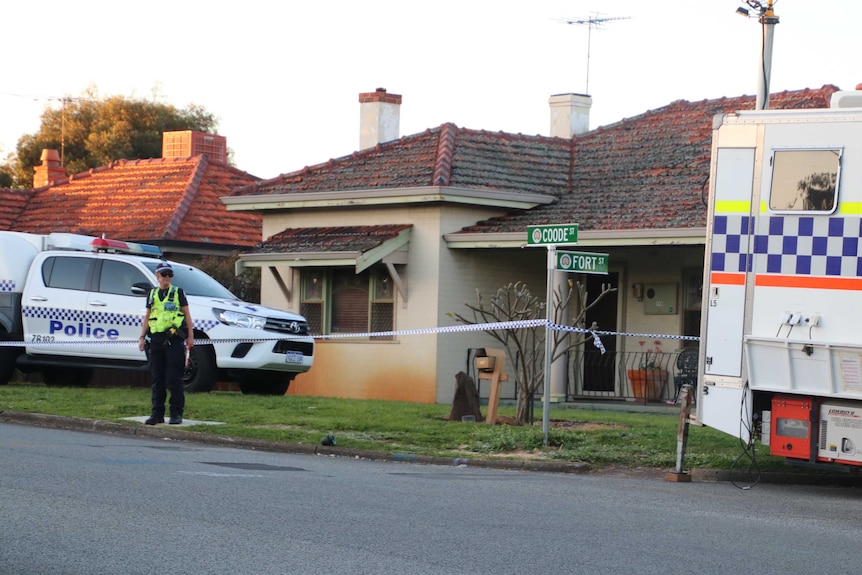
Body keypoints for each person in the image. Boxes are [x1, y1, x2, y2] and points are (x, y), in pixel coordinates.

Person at [138, 262, 194, 425]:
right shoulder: (152, 294)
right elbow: (147, 317)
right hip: (155, 340)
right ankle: (157, 413)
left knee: (174, 378)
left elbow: (187, 316)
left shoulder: (178, 293)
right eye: (164, 275)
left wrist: (190, 336)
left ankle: (176, 413)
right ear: (157, 276)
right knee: (158, 379)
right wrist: (142, 337)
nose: (167, 278)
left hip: (174, 340)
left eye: (170, 275)